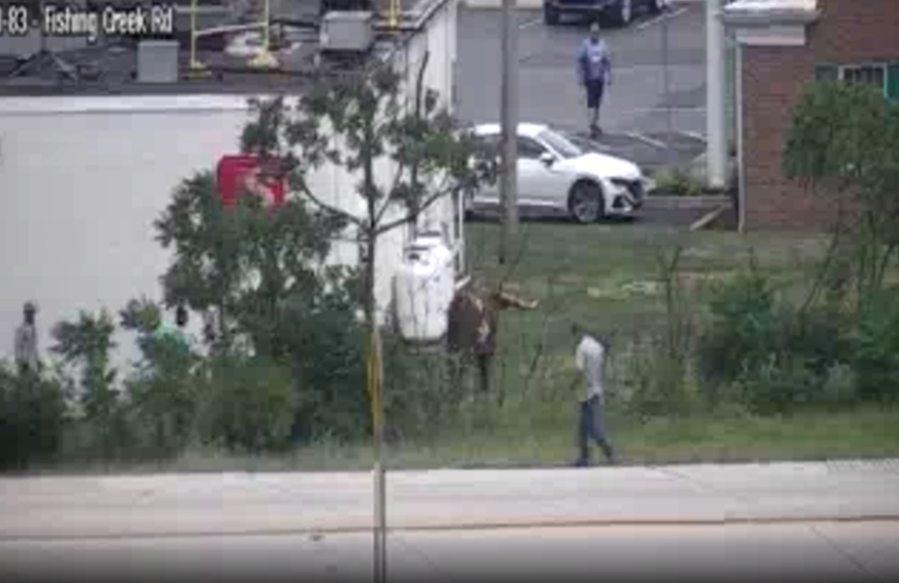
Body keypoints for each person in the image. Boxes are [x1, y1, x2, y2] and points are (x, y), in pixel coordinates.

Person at [570, 322, 616, 467]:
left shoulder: (581, 348)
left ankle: (607, 449)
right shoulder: (596, 346)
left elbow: (579, 370)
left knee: (591, 427)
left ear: (576, 333)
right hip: (596, 389)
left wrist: (572, 385)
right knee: (583, 428)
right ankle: (584, 458)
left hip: (586, 392)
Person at [577, 21, 612, 138]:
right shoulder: (585, 45)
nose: (595, 34)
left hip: (599, 79)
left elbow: (607, 61)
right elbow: (580, 61)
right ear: (590, 33)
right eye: (593, 32)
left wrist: (608, 76)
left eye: (596, 32)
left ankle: (595, 124)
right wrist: (581, 77)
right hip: (590, 78)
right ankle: (592, 127)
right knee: (591, 103)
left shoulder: (603, 44)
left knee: (597, 104)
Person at [13, 301, 40, 376]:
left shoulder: (34, 328)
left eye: (33, 313)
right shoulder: (20, 329)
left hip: (34, 365)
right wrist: (21, 363)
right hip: (24, 365)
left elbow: (34, 348)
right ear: (25, 313)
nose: (32, 315)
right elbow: (17, 347)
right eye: (30, 313)